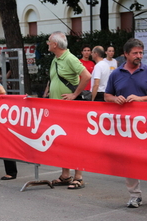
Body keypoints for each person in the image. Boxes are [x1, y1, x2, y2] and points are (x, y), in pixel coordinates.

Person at [105, 38, 147, 208]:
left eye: (141, 53)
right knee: (129, 160)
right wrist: (116, 99)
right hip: (126, 126)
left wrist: (141, 99)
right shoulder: (116, 74)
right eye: (135, 53)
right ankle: (134, 195)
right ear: (126, 54)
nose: (139, 56)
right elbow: (107, 96)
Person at [47, 31, 91, 189]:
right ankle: (65, 175)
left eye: (49, 41)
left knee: (75, 142)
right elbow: (53, 79)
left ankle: (78, 176)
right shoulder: (56, 58)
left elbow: (87, 76)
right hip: (57, 108)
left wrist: (75, 94)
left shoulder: (70, 58)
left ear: (55, 45)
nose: (47, 43)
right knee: (62, 141)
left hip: (69, 109)